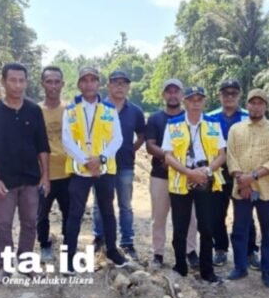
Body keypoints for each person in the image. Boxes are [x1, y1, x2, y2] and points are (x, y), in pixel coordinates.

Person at [0, 63, 50, 279]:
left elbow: (42, 146)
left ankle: (26, 263)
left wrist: (45, 176)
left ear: (26, 83)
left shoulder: (33, 110)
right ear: (3, 81)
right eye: (13, 80)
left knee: (30, 222)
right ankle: (5, 266)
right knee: (3, 224)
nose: (17, 85)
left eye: (22, 80)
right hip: (4, 179)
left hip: (31, 178)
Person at [62, 67, 127, 273]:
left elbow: (117, 138)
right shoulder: (71, 110)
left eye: (93, 80)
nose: (89, 84)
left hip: (104, 170)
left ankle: (112, 251)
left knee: (108, 211)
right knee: (75, 213)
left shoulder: (109, 110)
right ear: (79, 84)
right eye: (85, 80)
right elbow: (67, 140)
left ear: (98, 84)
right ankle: (69, 257)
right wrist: (86, 162)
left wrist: (99, 159)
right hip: (80, 171)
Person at [163, 86, 225, 283]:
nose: (195, 103)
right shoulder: (173, 125)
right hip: (181, 180)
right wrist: (189, 172)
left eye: (199, 99)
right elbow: (168, 156)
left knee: (206, 227)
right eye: (191, 99)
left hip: (206, 178)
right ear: (185, 102)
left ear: (204, 102)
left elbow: (222, 155)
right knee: (180, 227)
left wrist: (206, 172)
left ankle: (207, 271)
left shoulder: (214, 124)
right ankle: (180, 266)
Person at [225, 89, 269, 288]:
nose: (256, 107)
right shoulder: (236, 129)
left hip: (265, 189)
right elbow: (230, 156)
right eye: (252, 103)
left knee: (268, 231)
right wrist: (241, 179)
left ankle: (267, 270)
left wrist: (253, 176)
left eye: (260, 103)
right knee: (239, 229)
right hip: (241, 188)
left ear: (266, 106)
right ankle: (240, 266)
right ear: (247, 105)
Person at [144, 79, 199, 269]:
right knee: (159, 216)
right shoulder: (155, 119)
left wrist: (177, 163)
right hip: (160, 175)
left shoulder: (190, 118)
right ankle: (158, 253)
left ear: (182, 95)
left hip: (185, 175)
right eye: (169, 92)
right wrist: (169, 158)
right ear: (164, 95)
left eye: (176, 92)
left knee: (190, 216)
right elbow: (150, 145)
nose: (173, 95)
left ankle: (190, 251)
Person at [92, 70, 146, 260]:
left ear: (128, 86)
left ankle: (127, 242)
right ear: (108, 85)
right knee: (99, 205)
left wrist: (132, 149)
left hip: (124, 165)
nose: (120, 86)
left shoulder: (135, 111)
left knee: (125, 205)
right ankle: (99, 239)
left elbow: (142, 135)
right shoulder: (98, 108)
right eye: (116, 82)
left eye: (124, 83)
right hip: (102, 166)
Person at [206, 79, 258, 268]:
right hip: (217, 173)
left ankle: (250, 250)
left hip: (243, 174)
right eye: (225, 93)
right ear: (219, 95)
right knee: (216, 214)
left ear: (240, 95)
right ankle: (220, 249)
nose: (229, 97)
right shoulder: (209, 118)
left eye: (233, 93)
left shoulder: (248, 117)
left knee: (245, 213)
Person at [37, 66, 70, 263]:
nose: (53, 86)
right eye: (49, 81)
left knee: (69, 212)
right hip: (43, 173)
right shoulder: (35, 111)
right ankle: (44, 244)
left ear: (63, 84)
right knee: (41, 213)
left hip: (67, 172)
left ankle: (68, 245)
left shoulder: (70, 110)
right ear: (43, 84)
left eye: (57, 81)